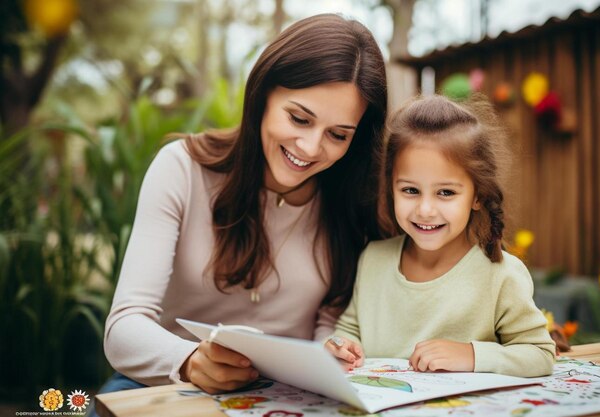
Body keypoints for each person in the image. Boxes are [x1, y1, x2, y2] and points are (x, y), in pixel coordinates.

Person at [95, 12, 389, 403]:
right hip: (166, 381)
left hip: (283, 397)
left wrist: (332, 351)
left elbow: (329, 323)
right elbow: (123, 329)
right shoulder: (182, 168)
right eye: (299, 118)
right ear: (263, 94)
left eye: (338, 135)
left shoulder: (350, 199)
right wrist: (189, 360)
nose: (311, 147)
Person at [325, 94, 556, 378]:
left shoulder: (500, 275)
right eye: (410, 190)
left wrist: (470, 355)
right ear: (391, 188)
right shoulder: (373, 258)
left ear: (478, 196)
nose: (425, 210)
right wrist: (344, 346)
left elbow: (540, 355)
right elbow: (351, 328)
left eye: (445, 192)